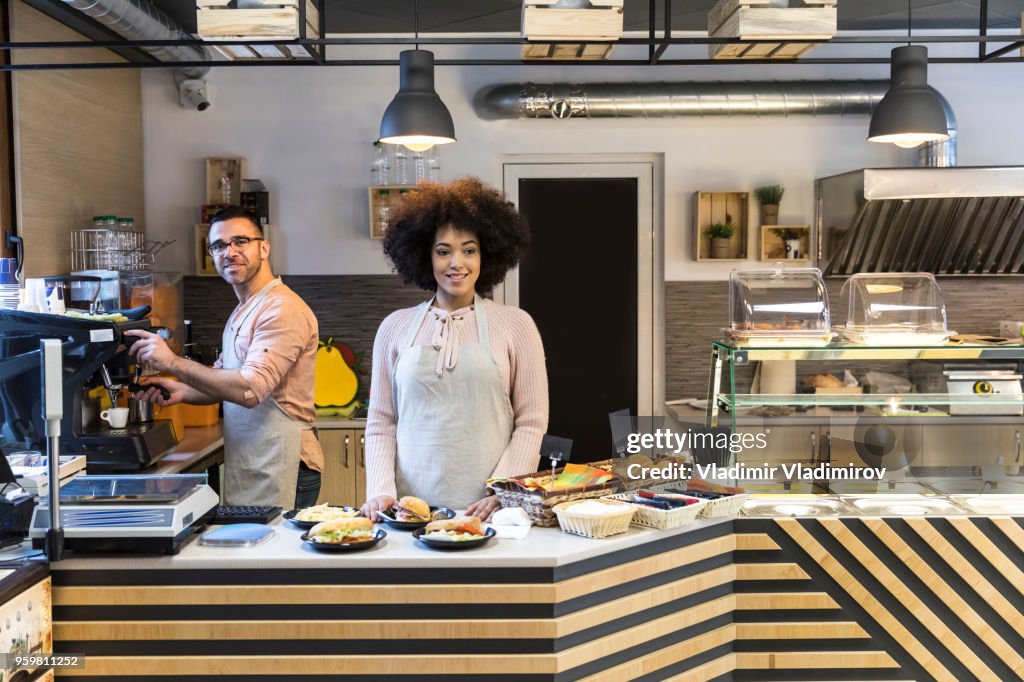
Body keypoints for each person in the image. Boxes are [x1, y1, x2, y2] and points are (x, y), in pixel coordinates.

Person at [360, 177, 548, 522]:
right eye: (443, 251)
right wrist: (381, 492)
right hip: (409, 509)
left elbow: (532, 422)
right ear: (424, 256)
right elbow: (381, 422)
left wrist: (504, 490)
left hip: (490, 509)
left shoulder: (517, 325)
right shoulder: (395, 327)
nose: (456, 263)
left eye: (469, 250)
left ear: (488, 254)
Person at [127, 206, 323, 509]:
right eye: (219, 245)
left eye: (240, 241)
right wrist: (182, 391)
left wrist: (173, 362)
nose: (229, 252)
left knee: (273, 556)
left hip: (284, 464)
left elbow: (250, 389)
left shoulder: (281, 309)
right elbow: (224, 378)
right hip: (256, 462)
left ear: (264, 247)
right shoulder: (243, 310)